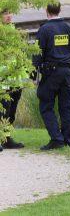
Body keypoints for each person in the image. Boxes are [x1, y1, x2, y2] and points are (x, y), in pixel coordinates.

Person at [34, 0, 70, 151]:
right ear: (60, 10)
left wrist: (34, 74)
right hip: (67, 73)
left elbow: (37, 54)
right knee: (66, 107)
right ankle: (67, 139)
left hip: (51, 73)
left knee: (46, 105)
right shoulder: (69, 28)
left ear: (47, 10)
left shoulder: (44, 30)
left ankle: (56, 138)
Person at [1, 10, 24, 150]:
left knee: (11, 111)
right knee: (3, 109)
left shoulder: (14, 30)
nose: (9, 15)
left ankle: (7, 138)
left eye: (10, 12)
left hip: (16, 78)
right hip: (3, 79)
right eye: (5, 13)